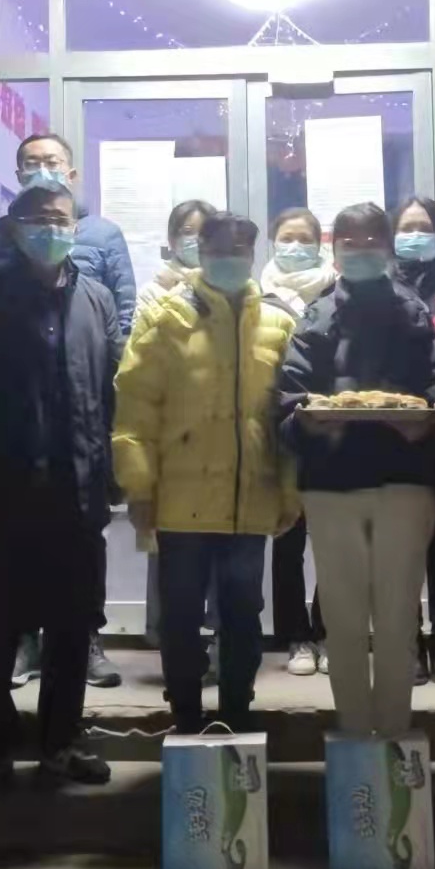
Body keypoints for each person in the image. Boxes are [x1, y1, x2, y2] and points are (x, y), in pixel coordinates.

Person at [0, 180, 122, 789]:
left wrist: (112, 477)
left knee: (71, 628)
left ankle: (60, 744)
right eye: (37, 218)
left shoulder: (95, 298)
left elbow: (110, 394)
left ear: (76, 226)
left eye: (60, 218)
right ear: (14, 228)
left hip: (77, 492)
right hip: (4, 493)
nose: (50, 228)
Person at [276, 202, 435, 739]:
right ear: (335, 250)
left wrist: (427, 425)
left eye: (371, 240)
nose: (360, 250)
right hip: (332, 488)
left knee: (400, 617)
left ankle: (395, 736)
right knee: (344, 621)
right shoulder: (316, 316)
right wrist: (310, 422)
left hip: (405, 485)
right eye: (349, 242)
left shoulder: (415, 313)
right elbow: (288, 402)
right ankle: (355, 736)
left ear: (387, 246)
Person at [115, 212, 299, 733]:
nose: (229, 259)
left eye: (240, 250)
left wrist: (290, 492)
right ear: (201, 250)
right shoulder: (166, 319)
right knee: (180, 616)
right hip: (180, 503)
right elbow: (134, 409)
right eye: (218, 249)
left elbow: (289, 419)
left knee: (243, 614)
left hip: (249, 498)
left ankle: (237, 715)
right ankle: (186, 717)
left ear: (253, 255)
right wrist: (139, 487)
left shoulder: (278, 324)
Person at [0, 133, 133, 690]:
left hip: (80, 442)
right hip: (12, 450)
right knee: (7, 582)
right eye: (31, 162)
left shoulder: (99, 263)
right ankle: (20, 655)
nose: (51, 230)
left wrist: (115, 454)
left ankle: (83, 653)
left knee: (79, 572)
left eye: (61, 221)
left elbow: (120, 337)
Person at [136, 199, 220, 677]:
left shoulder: (232, 289)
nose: (195, 240)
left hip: (222, 439)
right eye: (186, 231)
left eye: (203, 232)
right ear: (171, 239)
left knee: (222, 548)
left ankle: (221, 643)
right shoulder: (153, 292)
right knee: (170, 550)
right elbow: (144, 360)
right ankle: (174, 647)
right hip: (171, 439)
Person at [259, 207, 337, 677]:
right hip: (283, 433)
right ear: (272, 241)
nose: (295, 245)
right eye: (286, 237)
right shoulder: (259, 294)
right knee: (287, 542)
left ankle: (327, 629)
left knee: (331, 541)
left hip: (332, 433)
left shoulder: (334, 291)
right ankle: (295, 636)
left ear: (319, 243)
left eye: (304, 238)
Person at [390, 196, 435, 686]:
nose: (415, 236)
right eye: (406, 227)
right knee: (401, 545)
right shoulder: (384, 285)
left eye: (425, 227)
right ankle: (409, 637)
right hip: (393, 428)